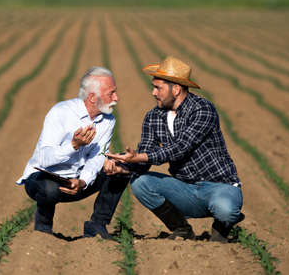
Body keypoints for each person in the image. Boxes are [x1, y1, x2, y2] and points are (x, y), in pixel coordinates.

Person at [105, 56, 244, 243]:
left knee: (225, 210)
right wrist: (123, 167)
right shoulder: (153, 117)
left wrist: (138, 157)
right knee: (141, 183)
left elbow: (180, 148)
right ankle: (182, 229)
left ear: (176, 89)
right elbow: (146, 155)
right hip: (186, 189)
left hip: (219, 186)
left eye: (158, 88)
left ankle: (224, 223)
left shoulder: (202, 109)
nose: (153, 93)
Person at [16, 66, 129, 239]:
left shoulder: (108, 120)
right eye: (111, 93)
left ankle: (97, 225)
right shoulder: (61, 112)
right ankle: (43, 229)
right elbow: (43, 159)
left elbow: (97, 157)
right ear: (92, 97)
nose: (116, 98)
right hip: (43, 179)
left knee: (123, 166)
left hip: (77, 182)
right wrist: (73, 145)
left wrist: (83, 181)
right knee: (49, 189)